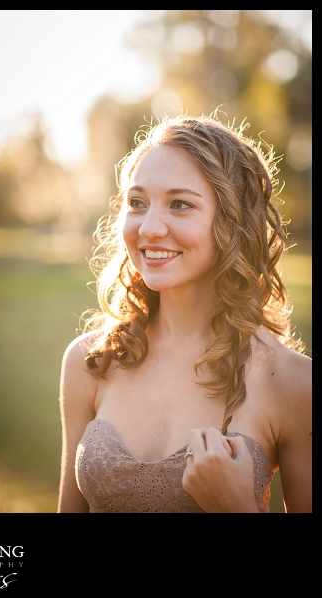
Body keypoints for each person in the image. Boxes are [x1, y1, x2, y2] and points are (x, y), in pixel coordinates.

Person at [58, 113, 311, 513]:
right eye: (137, 203)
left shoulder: (294, 383)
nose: (149, 228)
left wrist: (238, 508)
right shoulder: (90, 361)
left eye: (180, 204)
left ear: (233, 221)